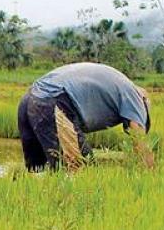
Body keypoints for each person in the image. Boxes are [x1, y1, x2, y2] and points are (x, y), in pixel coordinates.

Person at [17, 62, 153, 171]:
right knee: (81, 169)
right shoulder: (135, 98)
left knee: (38, 171)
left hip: (30, 97)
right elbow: (139, 141)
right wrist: (151, 174)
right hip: (54, 100)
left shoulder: (120, 83)